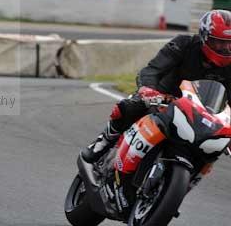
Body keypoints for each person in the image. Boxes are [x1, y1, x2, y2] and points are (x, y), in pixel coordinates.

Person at [82, 9, 231, 163]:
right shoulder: (184, 45)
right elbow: (152, 70)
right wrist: (148, 90)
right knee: (130, 105)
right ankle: (104, 141)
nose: (226, 48)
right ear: (205, 38)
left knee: (211, 150)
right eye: (219, 42)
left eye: (230, 43)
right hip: (163, 100)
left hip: (199, 115)